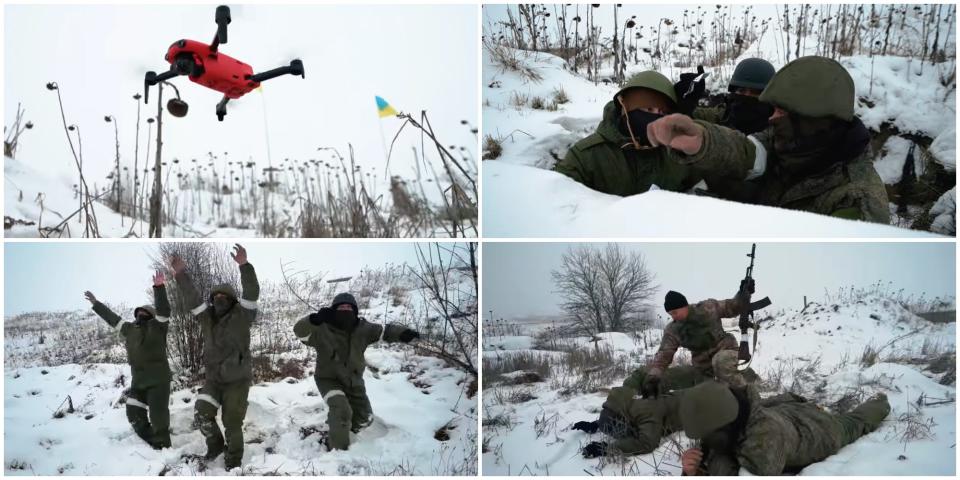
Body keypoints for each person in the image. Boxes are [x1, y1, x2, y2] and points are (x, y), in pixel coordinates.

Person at [646, 56, 890, 223]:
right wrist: (702, 140)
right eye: (741, 92)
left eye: (780, 112)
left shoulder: (856, 199)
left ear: (809, 119)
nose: (771, 119)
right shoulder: (790, 141)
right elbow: (748, 152)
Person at [678, 354, 891, 475]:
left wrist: (699, 472)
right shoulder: (735, 400)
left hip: (819, 430)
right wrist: (691, 470)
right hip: (786, 410)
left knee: (854, 422)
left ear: (724, 426)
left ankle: (879, 401)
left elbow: (727, 469)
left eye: (709, 434)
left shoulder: (763, 444)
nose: (704, 441)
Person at [293, 292, 420, 450]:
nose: (345, 310)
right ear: (334, 309)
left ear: (355, 310)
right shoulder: (322, 329)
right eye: (341, 307)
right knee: (341, 409)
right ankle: (338, 452)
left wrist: (402, 333)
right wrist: (314, 319)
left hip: (354, 380)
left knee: (364, 418)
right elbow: (299, 331)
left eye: (349, 307)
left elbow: (384, 331)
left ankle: (341, 429)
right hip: (328, 379)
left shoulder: (363, 328)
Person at [171, 244, 259, 470]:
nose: (219, 299)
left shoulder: (243, 315)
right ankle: (216, 446)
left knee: (232, 422)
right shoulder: (207, 317)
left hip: (237, 381)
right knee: (201, 413)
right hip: (214, 381)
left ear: (231, 299)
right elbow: (192, 299)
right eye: (216, 296)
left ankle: (234, 464)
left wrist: (244, 266)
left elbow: (251, 292)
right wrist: (181, 274)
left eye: (224, 296)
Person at [554, 71, 702, 196]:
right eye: (649, 109)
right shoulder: (587, 157)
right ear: (625, 109)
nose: (656, 119)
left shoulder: (676, 154)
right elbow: (557, 204)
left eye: (663, 113)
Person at [84, 271, 172, 449]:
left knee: (158, 416)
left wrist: (159, 287)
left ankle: (163, 445)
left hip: (158, 380)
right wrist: (96, 304)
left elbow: (164, 310)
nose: (140, 314)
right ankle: (152, 440)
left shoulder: (159, 327)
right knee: (133, 413)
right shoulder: (130, 329)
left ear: (151, 315)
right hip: (139, 382)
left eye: (145, 312)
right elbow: (113, 319)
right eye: (138, 312)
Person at [625, 290, 757, 398]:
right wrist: (653, 377)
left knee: (720, 362)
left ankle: (746, 397)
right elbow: (663, 355)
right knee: (705, 392)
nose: (673, 317)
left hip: (726, 352)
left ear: (685, 306)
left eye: (675, 312)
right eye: (670, 314)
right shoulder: (673, 329)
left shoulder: (708, 308)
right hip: (704, 366)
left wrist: (744, 293)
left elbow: (732, 307)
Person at [572, 384, 685, 458]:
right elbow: (614, 411)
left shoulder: (645, 410)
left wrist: (607, 449)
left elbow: (647, 443)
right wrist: (595, 425)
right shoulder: (627, 402)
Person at [692, 58, 777, 135]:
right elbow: (698, 115)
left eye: (755, 92)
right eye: (741, 90)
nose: (747, 96)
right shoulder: (726, 114)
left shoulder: (777, 129)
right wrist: (684, 105)